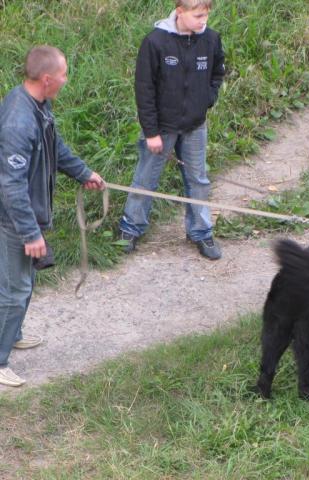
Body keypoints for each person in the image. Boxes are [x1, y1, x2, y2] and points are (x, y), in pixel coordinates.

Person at [0, 46, 106, 387]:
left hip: (26, 218)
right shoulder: (19, 120)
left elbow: (55, 148)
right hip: (12, 221)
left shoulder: (40, 106)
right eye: (63, 74)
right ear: (47, 79)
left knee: (24, 284)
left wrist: (84, 173)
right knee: (14, 291)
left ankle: (11, 334)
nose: (66, 79)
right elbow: (11, 185)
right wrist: (31, 234)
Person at [119, 0, 225, 260]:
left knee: (198, 180)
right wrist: (151, 132)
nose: (203, 21)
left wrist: (206, 100)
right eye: (198, 15)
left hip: (194, 126)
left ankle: (201, 231)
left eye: (206, 16)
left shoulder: (211, 39)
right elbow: (144, 90)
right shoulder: (155, 42)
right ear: (180, 12)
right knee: (145, 179)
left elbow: (218, 72)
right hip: (161, 128)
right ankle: (130, 228)